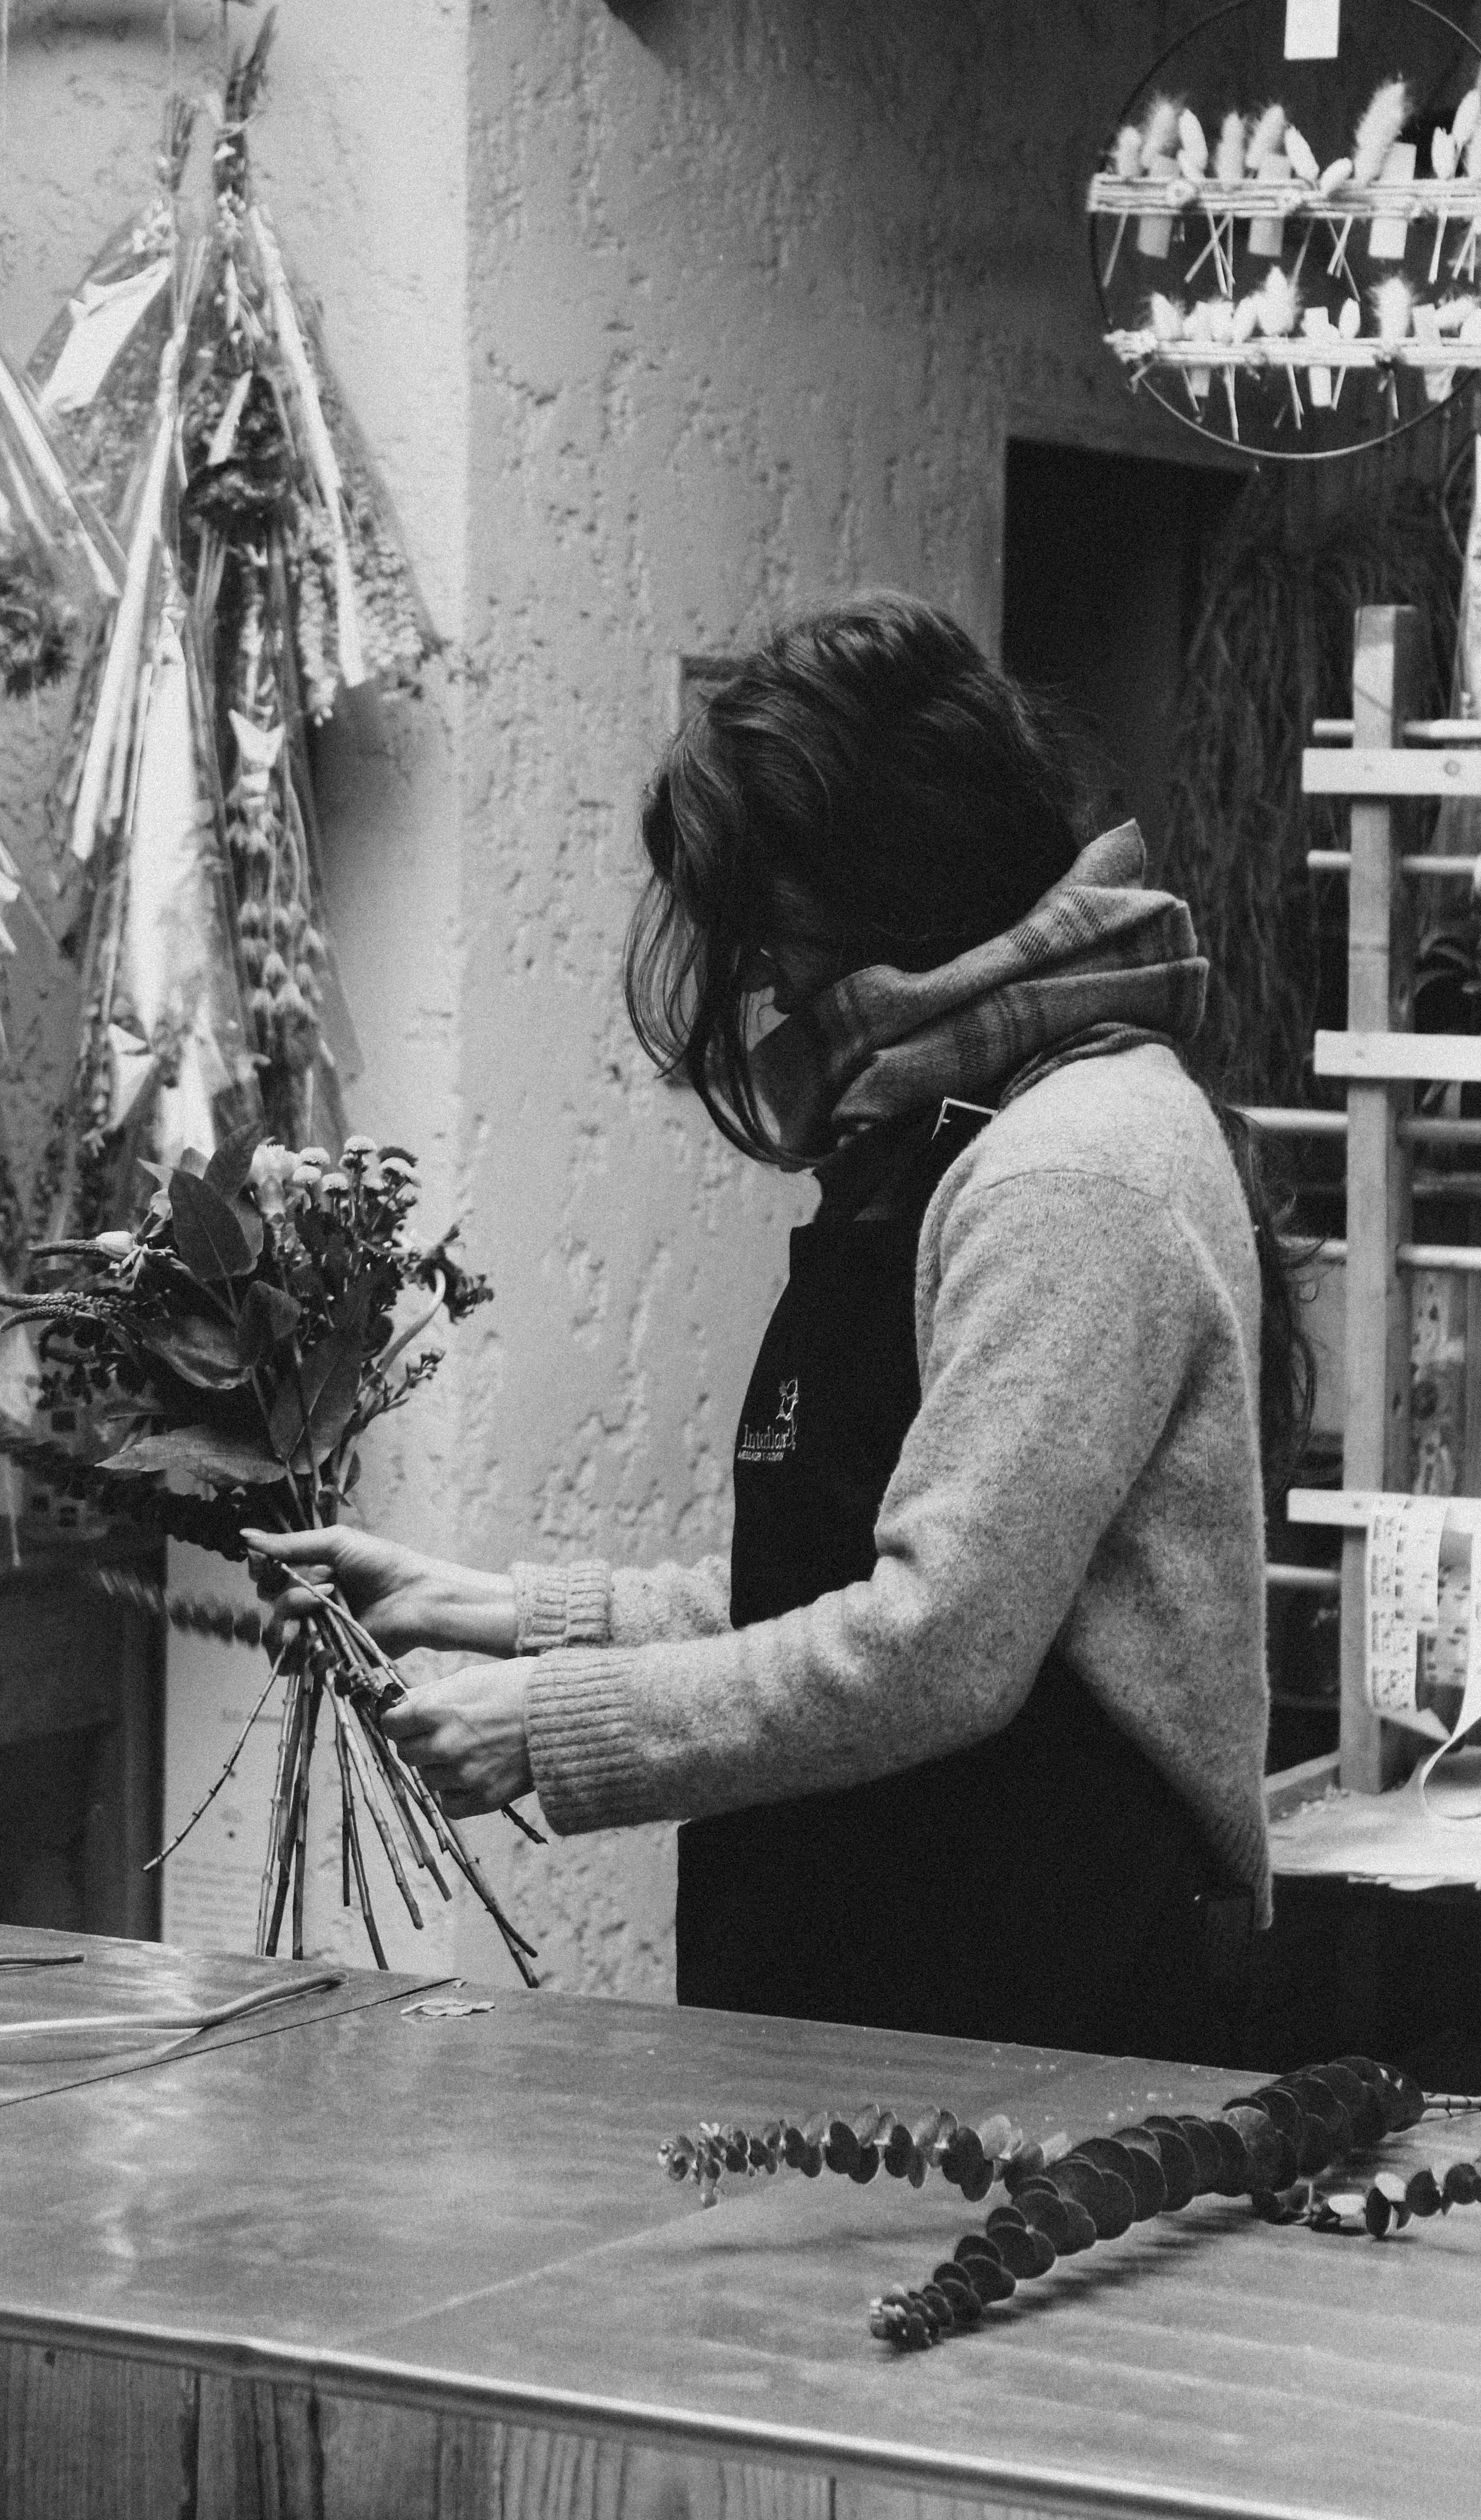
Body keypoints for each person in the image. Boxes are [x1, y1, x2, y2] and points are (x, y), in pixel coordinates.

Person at [247, 592, 1305, 2064]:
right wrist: (475, 1606)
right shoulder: (962, 1133)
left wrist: (554, 1725)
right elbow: (830, 1584)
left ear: (884, 886)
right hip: (892, 1982)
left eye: (776, 930)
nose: (763, 983)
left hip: (1032, 2019)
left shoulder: (1071, 1166)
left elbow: (937, 1646)